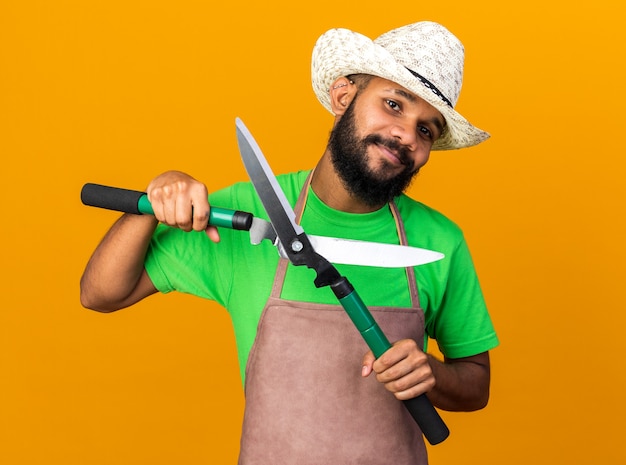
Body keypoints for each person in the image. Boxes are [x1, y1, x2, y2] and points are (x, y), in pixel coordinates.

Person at [81, 21, 499, 464]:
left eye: (426, 130)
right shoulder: (244, 213)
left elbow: (475, 384)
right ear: (343, 98)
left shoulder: (440, 242)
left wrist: (429, 373)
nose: (406, 136)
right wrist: (153, 201)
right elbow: (101, 293)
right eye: (394, 104)